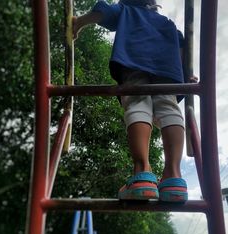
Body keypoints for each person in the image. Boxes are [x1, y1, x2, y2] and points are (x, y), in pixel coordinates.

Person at [73, 0, 189, 202]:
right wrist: (187, 77)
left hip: (134, 64)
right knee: (169, 107)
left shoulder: (126, 11)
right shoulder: (168, 24)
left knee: (138, 104)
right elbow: (182, 48)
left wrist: (78, 23)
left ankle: (142, 173)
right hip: (169, 72)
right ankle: (174, 177)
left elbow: (103, 11)